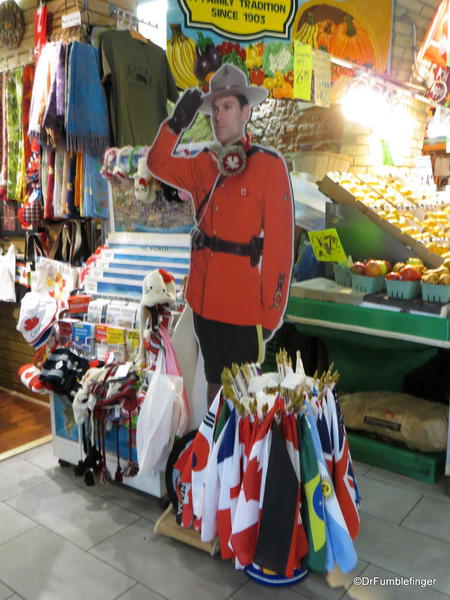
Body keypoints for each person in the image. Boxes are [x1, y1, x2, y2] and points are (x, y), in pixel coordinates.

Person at [147, 64, 293, 404]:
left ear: (246, 111)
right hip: (203, 302)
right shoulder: (203, 164)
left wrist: (271, 313)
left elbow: (280, 248)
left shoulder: (269, 168)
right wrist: (175, 125)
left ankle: (242, 454)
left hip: (244, 307)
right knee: (213, 388)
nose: (218, 116)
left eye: (227, 107)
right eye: (214, 109)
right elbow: (157, 163)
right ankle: (213, 449)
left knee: (244, 398)